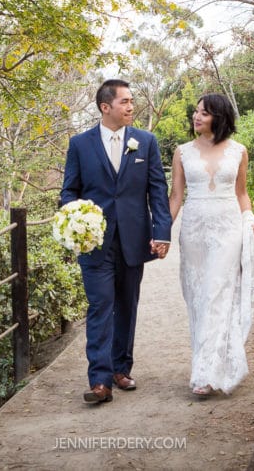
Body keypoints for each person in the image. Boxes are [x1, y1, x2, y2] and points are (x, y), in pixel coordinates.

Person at [61, 79, 173, 404]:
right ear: (105, 107)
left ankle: (121, 369)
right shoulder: (80, 144)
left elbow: (157, 191)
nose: (130, 107)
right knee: (100, 306)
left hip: (133, 239)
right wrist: (73, 217)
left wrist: (162, 233)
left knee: (127, 305)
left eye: (131, 101)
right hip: (93, 242)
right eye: (124, 101)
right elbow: (70, 190)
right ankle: (99, 380)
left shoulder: (146, 142)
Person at [169, 92, 254, 396]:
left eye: (203, 112)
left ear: (219, 116)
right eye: (195, 111)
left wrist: (251, 220)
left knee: (218, 293)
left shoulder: (239, 151)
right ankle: (207, 361)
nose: (196, 116)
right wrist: (161, 231)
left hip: (228, 227)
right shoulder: (182, 152)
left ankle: (205, 374)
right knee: (199, 297)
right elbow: (176, 197)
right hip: (194, 230)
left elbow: (241, 194)